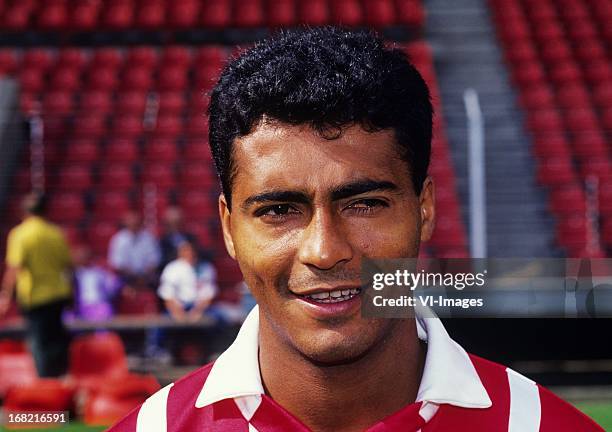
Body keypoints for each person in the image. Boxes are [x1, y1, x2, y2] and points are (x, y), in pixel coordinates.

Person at [109, 28, 604, 431]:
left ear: (424, 208)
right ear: (229, 228)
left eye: (365, 204)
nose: (325, 250)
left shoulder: (541, 425)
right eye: (279, 211)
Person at [0, 192, 73, 377]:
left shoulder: (20, 234)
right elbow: (67, 266)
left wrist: (6, 296)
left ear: (24, 212)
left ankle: (45, 385)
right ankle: (61, 381)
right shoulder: (55, 233)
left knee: (39, 342)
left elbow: (14, 268)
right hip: (58, 295)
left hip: (36, 297)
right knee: (57, 339)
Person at [158, 240, 217, 322]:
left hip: (200, 308)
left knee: (218, 318)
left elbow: (208, 294)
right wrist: (177, 313)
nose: (189, 253)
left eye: (191, 250)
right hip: (177, 307)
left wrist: (197, 311)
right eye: (186, 250)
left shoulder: (206, 268)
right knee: (159, 323)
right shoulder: (171, 268)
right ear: (180, 252)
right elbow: (167, 294)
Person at [66, 245, 121, 322]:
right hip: (78, 306)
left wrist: (113, 281)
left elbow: (111, 290)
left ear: (90, 258)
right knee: (66, 316)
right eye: (80, 257)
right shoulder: (72, 274)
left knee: (105, 309)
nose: (83, 259)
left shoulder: (99, 272)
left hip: (97, 305)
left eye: (85, 257)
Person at [108, 210, 161, 288]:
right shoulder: (118, 239)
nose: (134, 226)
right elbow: (117, 263)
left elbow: (155, 260)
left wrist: (144, 275)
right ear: (126, 224)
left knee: (159, 282)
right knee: (114, 285)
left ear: (141, 224)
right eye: (131, 224)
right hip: (126, 276)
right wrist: (134, 276)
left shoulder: (149, 238)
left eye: (136, 224)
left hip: (146, 276)